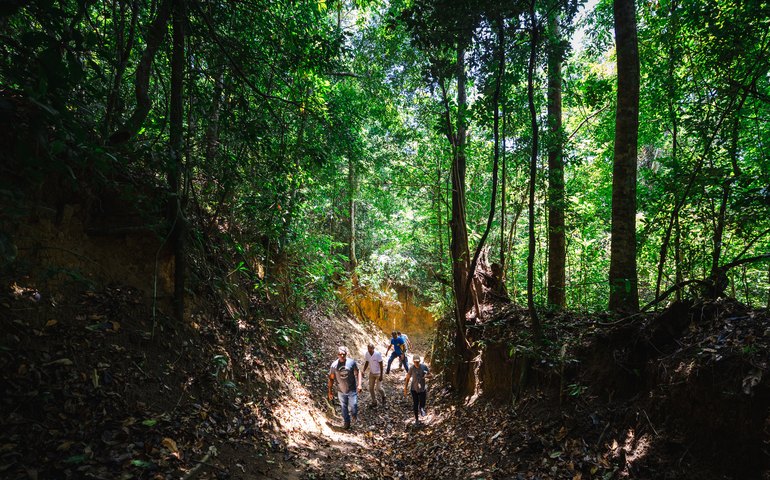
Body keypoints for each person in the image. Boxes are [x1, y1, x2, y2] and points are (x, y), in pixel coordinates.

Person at [328, 346, 362, 429]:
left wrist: (359, 384)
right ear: (337, 355)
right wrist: (330, 391)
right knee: (344, 407)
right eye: (340, 354)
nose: (341, 356)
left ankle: (354, 415)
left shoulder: (351, 362)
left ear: (346, 354)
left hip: (352, 389)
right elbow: (331, 378)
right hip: (341, 390)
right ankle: (347, 423)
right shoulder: (334, 365)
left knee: (353, 406)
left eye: (343, 354)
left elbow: (358, 372)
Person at [403, 355, 430, 425]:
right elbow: (408, 378)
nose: (416, 363)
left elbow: (430, 375)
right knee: (415, 404)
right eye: (415, 362)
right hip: (414, 389)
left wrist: (426, 376)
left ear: (419, 361)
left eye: (418, 362)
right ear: (413, 361)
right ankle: (417, 419)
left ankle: (421, 408)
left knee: (422, 402)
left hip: (422, 389)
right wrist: (405, 388)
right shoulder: (411, 368)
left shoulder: (424, 367)